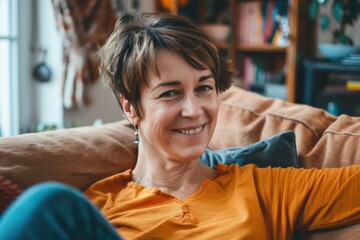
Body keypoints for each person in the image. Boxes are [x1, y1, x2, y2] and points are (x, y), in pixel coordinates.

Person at [0, 12, 359, 240]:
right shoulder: (100, 204)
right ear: (130, 108)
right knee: (48, 205)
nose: (194, 110)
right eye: (171, 93)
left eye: (204, 88)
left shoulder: (263, 187)